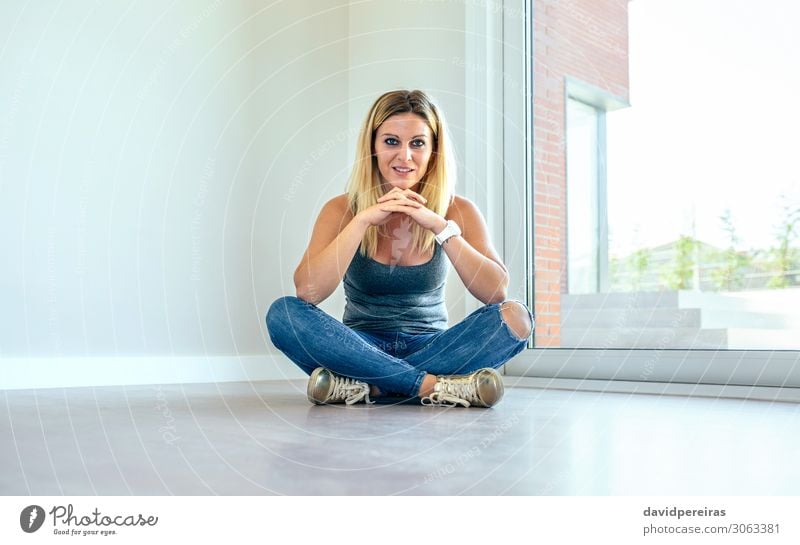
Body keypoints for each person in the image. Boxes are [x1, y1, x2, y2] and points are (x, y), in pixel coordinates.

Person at [266, 90, 533, 408]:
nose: (404, 156)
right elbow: (308, 292)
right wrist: (362, 220)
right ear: (373, 148)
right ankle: (431, 386)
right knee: (283, 314)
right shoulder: (341, 209)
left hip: (434, 345)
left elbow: (496, 294)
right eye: (391, 141)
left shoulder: (457, 210)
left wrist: (440, 227)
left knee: (517, 318)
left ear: (433, 151)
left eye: (417, 143)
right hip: (358, 345)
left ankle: (370, 386)